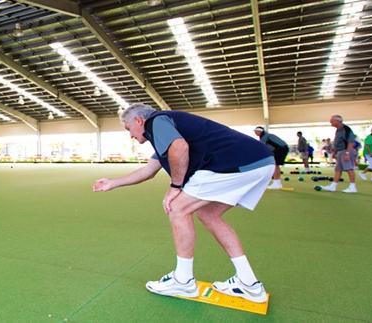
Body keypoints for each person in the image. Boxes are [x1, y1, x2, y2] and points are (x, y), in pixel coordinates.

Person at [93, 103, 274, 303]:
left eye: (129, 129)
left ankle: (184, 281)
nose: (131, 136)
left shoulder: (156, 121)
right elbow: (148, 171)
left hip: (235, 163)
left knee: (177, 208)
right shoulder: (165, 134)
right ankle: (249, 283)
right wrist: (113, 183)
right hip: (260, 162)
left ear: (139, 120)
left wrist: (175, 186)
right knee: (208, 214)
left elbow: (180, 147)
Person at [320, 115, 357, 193]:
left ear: (338, 121)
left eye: (332, 121)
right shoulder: (338, 130)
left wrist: (347, 153)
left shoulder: (346, 129)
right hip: (340, 151)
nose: (330, 122)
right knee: (338, 169)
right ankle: (333, 186)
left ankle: (353, 187)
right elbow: (338, 142)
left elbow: (351, 142)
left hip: (346, 151)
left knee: (349, 168)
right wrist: (335, 152)